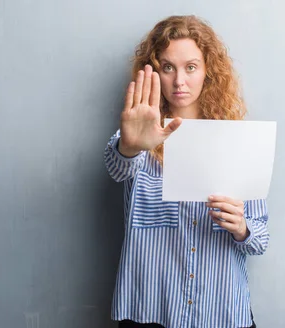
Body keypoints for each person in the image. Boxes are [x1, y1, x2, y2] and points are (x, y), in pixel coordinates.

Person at [104, 15, 270, 328]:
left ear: (208, 71)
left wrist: (241, 228)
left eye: (191, 67)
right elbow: (117, 167)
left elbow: (260, 239)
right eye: (168, 67)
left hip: (219, 312)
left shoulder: (239, 142)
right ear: (154, 72)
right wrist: (130, 146)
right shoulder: (138, 137)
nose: (179, 80)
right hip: (151, 308)